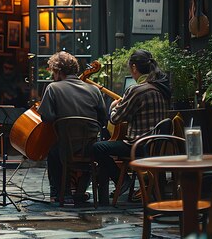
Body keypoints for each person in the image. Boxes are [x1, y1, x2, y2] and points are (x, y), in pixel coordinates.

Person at [92, 49, 171, 205]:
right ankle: (125, 182)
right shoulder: (162, 89)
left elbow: (115, 119)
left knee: (97, 148)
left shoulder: (136, 90)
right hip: (156, 145)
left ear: (134, 68)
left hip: (138, 146)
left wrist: (114, 106)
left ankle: (122, 181)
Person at [37, 51, 108, 205]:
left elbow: (47, 117)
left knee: (53, 149)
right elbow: (103, 119)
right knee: (83, 153)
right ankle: (80, 191)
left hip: (64, 147)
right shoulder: (94, 90)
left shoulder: (53, 88)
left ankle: (59, 194)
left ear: (58, 71)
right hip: (90, 147)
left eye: (53, 71)